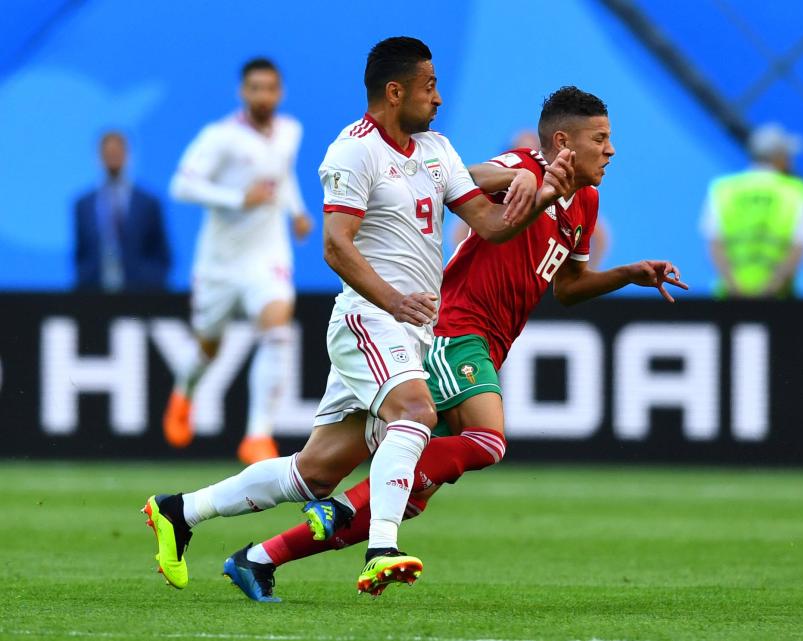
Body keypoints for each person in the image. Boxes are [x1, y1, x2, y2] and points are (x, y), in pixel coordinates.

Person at [142, 37, 575, 596]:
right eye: (429, 87)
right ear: (395, 93)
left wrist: (542, 197)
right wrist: (393, 301)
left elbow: (490, 227)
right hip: (367, 319)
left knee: (314, 471)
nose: (439, 99)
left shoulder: (437, 149)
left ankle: (180, 511)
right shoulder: (353, 150)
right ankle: (381, 548)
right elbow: (336, 246)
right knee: (416, 412)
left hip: (410, 330)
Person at [162, 58, 314, 465]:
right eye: (255, 88)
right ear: (242, 93)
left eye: (270, 88)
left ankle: (258, 435)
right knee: (210, 346)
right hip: (220, 262)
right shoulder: (220, 137)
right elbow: (181, 184)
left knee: (278, 328)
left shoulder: (289, 131)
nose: (263, 96)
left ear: (279, 93)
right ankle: (184, 391)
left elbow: (283, 175)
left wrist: (296, 211)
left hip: (267, 254)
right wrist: (236, 199)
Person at [450, 128, 610, 269]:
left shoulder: (563, 190)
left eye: (533, 151)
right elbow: (461, 228)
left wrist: (584, 271)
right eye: (519, 152)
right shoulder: (499, 190)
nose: (527, 159)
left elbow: (600, 237)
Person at [701, 122, 803, 298]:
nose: (790, 162)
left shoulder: (723, 189)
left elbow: (715, 245)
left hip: (729, 298)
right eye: (787, 156)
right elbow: (798, 248)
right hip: (778, 301)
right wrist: (770, 289)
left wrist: (735, 287)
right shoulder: (796, 191)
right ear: (778, 157)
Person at [73, 132, 170, 291]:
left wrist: (151, 282)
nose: (113, 158)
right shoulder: (83, 204)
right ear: (99, 156)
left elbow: (161, 253)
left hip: (141, 294)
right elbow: (81, 254)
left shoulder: (148, 203)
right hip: (94, 294)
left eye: (117, 152)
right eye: (108, 153)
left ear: (127, 155)